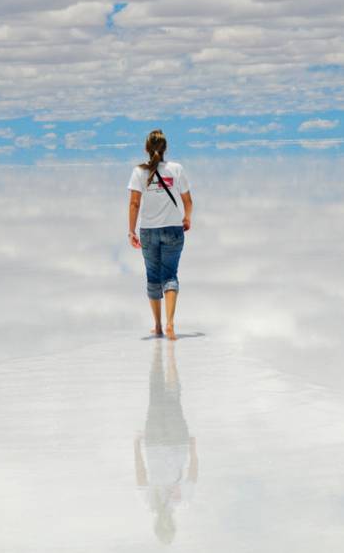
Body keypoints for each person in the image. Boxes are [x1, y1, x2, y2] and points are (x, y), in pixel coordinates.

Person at [128, 129, 193, 341]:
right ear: (165, 148)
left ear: (147, 148)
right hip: (173, 229)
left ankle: (157, 326)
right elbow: (187, 201)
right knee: (170, 276)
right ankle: (171, 323)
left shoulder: (139, 172)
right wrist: (187, 219)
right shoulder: (176, 169)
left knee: (153, 278)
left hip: (148, 231)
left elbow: (134, 203)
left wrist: (131, 230)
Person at [134, 339, 198, 544]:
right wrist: (194, 449)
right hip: (176, 442)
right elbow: (192, 475)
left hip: (155, 442)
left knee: (156, 395)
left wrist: (136, 446)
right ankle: (168, 358)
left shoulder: (150, 503)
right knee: (171, 397)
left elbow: (141, 476)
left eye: (164, 528)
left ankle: (158, 358)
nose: (166, 524)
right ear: (173, 526)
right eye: (169, 528)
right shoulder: (182, 502)